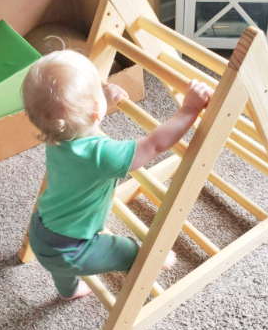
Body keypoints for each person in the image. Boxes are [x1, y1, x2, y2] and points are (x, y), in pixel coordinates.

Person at [22, 50, 214, 300]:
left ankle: (68, 291)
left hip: (42, 233)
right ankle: (149, 262)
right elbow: (154, 144)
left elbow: (80, 120)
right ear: (94, 110)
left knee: (62, 270)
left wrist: (104, 100)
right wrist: (189, 108)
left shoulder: (54, 138)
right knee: (130, 250)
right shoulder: (103, 156)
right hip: (73, 249)